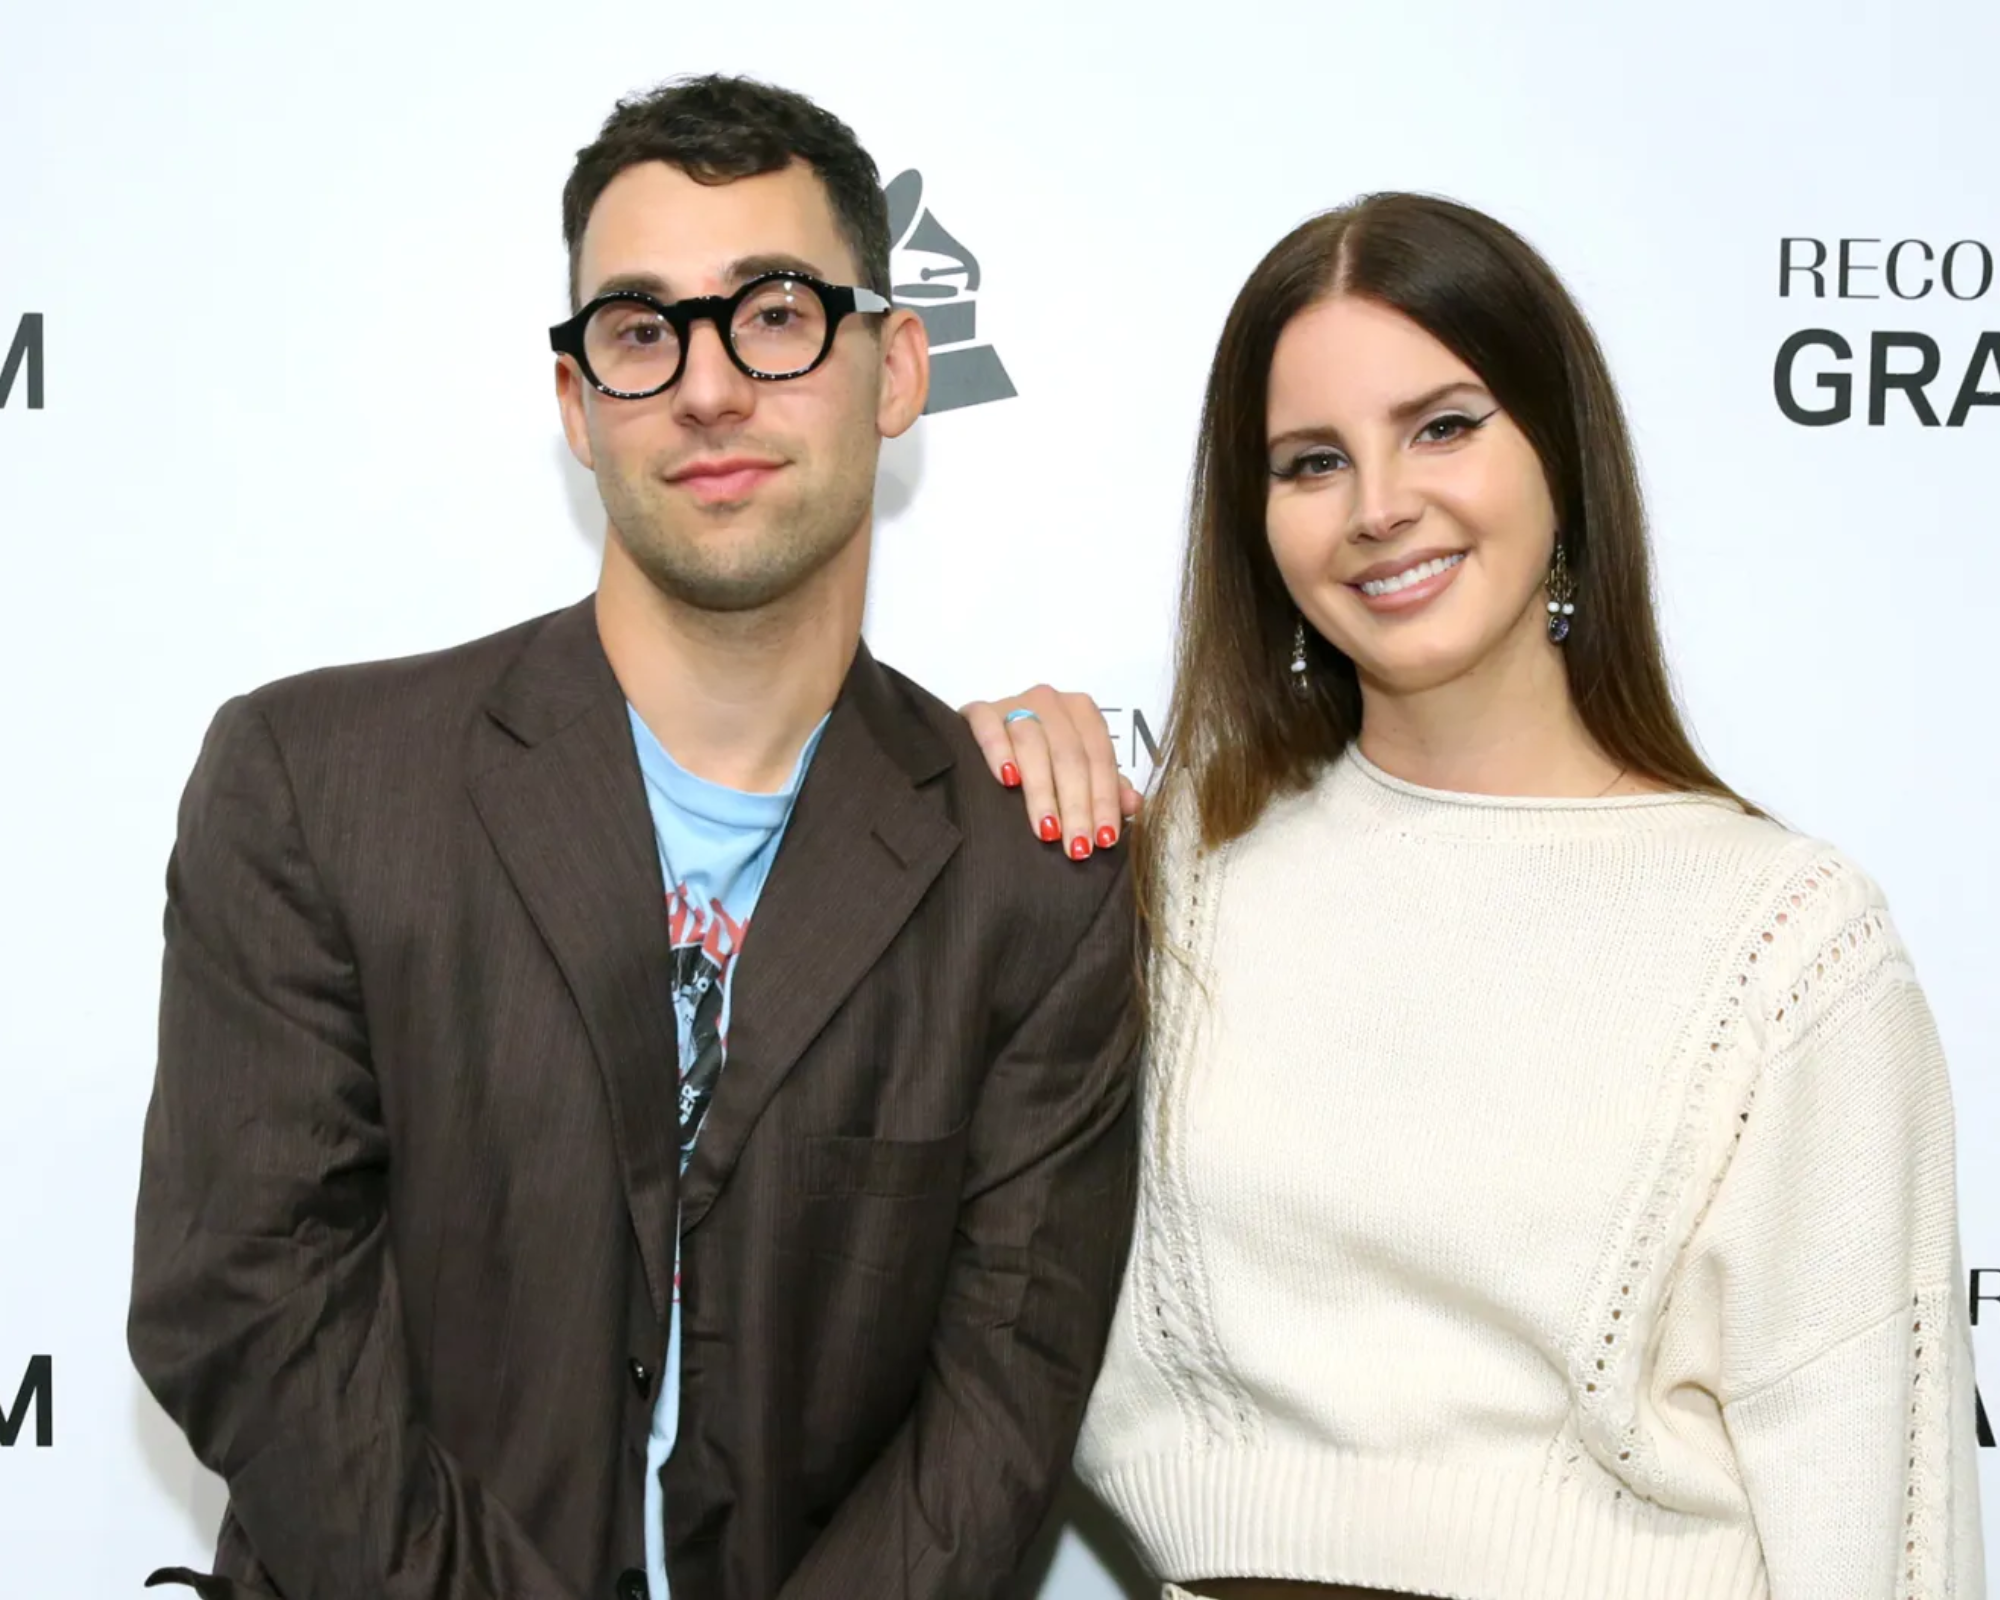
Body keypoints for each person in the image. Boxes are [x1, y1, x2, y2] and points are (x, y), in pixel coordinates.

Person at [128, 74, 1139, 1600]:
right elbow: (253, 1315)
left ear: (896, 368)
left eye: (778, 312)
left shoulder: (1031, 874)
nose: (710, 387)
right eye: (642, 330)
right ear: (577, 406)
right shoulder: (315, 786)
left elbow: (998, 1411)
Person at [964, 192, 1986, 1600]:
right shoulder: (1175, 872)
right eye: (1313, 460)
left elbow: (1878, 1502)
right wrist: (948, 792)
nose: (1382, 506)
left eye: (1444, 425)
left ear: (1561, 456)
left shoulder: (1786, 942)